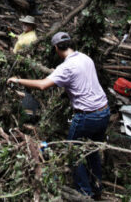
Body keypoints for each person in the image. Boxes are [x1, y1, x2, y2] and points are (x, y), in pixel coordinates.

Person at [8, 32, 109, 198]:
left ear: (56, 48)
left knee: (73, 154)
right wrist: (58, 74)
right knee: (92, 151)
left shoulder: (66, 68)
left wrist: (18, 81)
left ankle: (84, 194)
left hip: (86, 116)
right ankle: (97, 188)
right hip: (103, 111)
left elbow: (42, 85)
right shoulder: (85, 58)